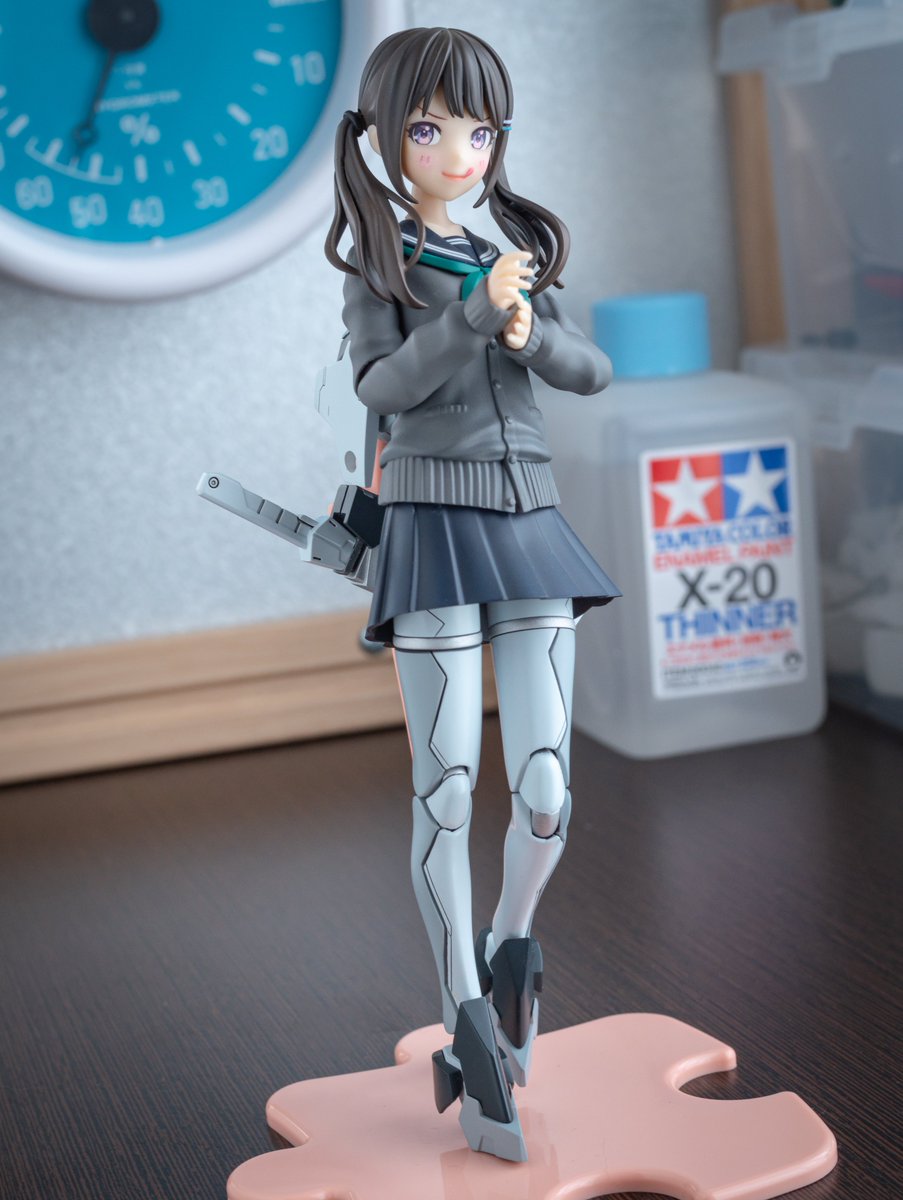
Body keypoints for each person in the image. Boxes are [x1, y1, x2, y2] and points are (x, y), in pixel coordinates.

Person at [325, 26, 619, 1162]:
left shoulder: (512, 254)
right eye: (429, 127)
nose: (459, 151)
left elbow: (591, 369)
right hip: (434, 526)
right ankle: (465, 1010)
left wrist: (527, 327)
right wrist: (466, 316)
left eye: (480, 130)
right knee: (447, 789)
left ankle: (508, 943)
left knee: (545, 792)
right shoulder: (380, 268)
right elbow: (383, 384)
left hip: (530, 517)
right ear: (386, 139)